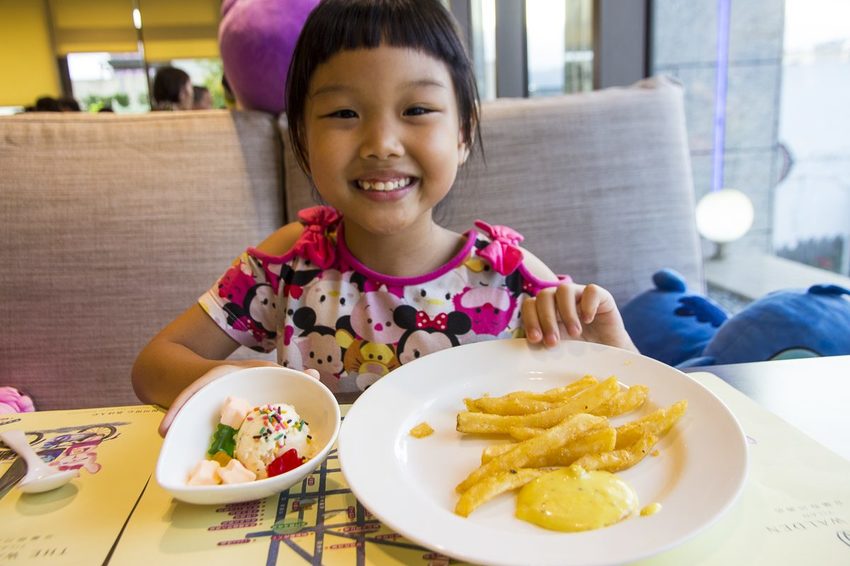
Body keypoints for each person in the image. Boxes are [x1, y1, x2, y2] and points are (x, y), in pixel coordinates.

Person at [133, 0, 636, 435]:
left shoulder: (512, 276)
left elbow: (633, 405)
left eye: (416, 109)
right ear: (303, 138)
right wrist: (241, 381)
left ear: (463, 133)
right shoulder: (289, 263)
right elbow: (153, 365)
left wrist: (607, 342)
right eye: (344, 113)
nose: (381, 144)